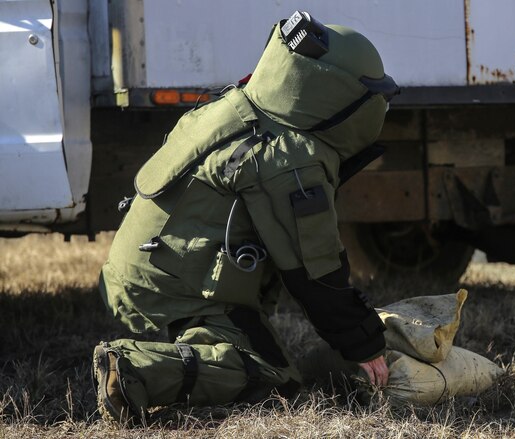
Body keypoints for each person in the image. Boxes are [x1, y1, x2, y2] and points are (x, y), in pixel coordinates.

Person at [93, 11, 399, 424]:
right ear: (345, 99)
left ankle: (199, 342)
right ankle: (134, 367)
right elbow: (315, 272)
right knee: (276, 377)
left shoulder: (236, 106)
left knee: (253, 344)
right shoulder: (288, 159)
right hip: (171, 293)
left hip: (137, 277)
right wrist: (364, 346)